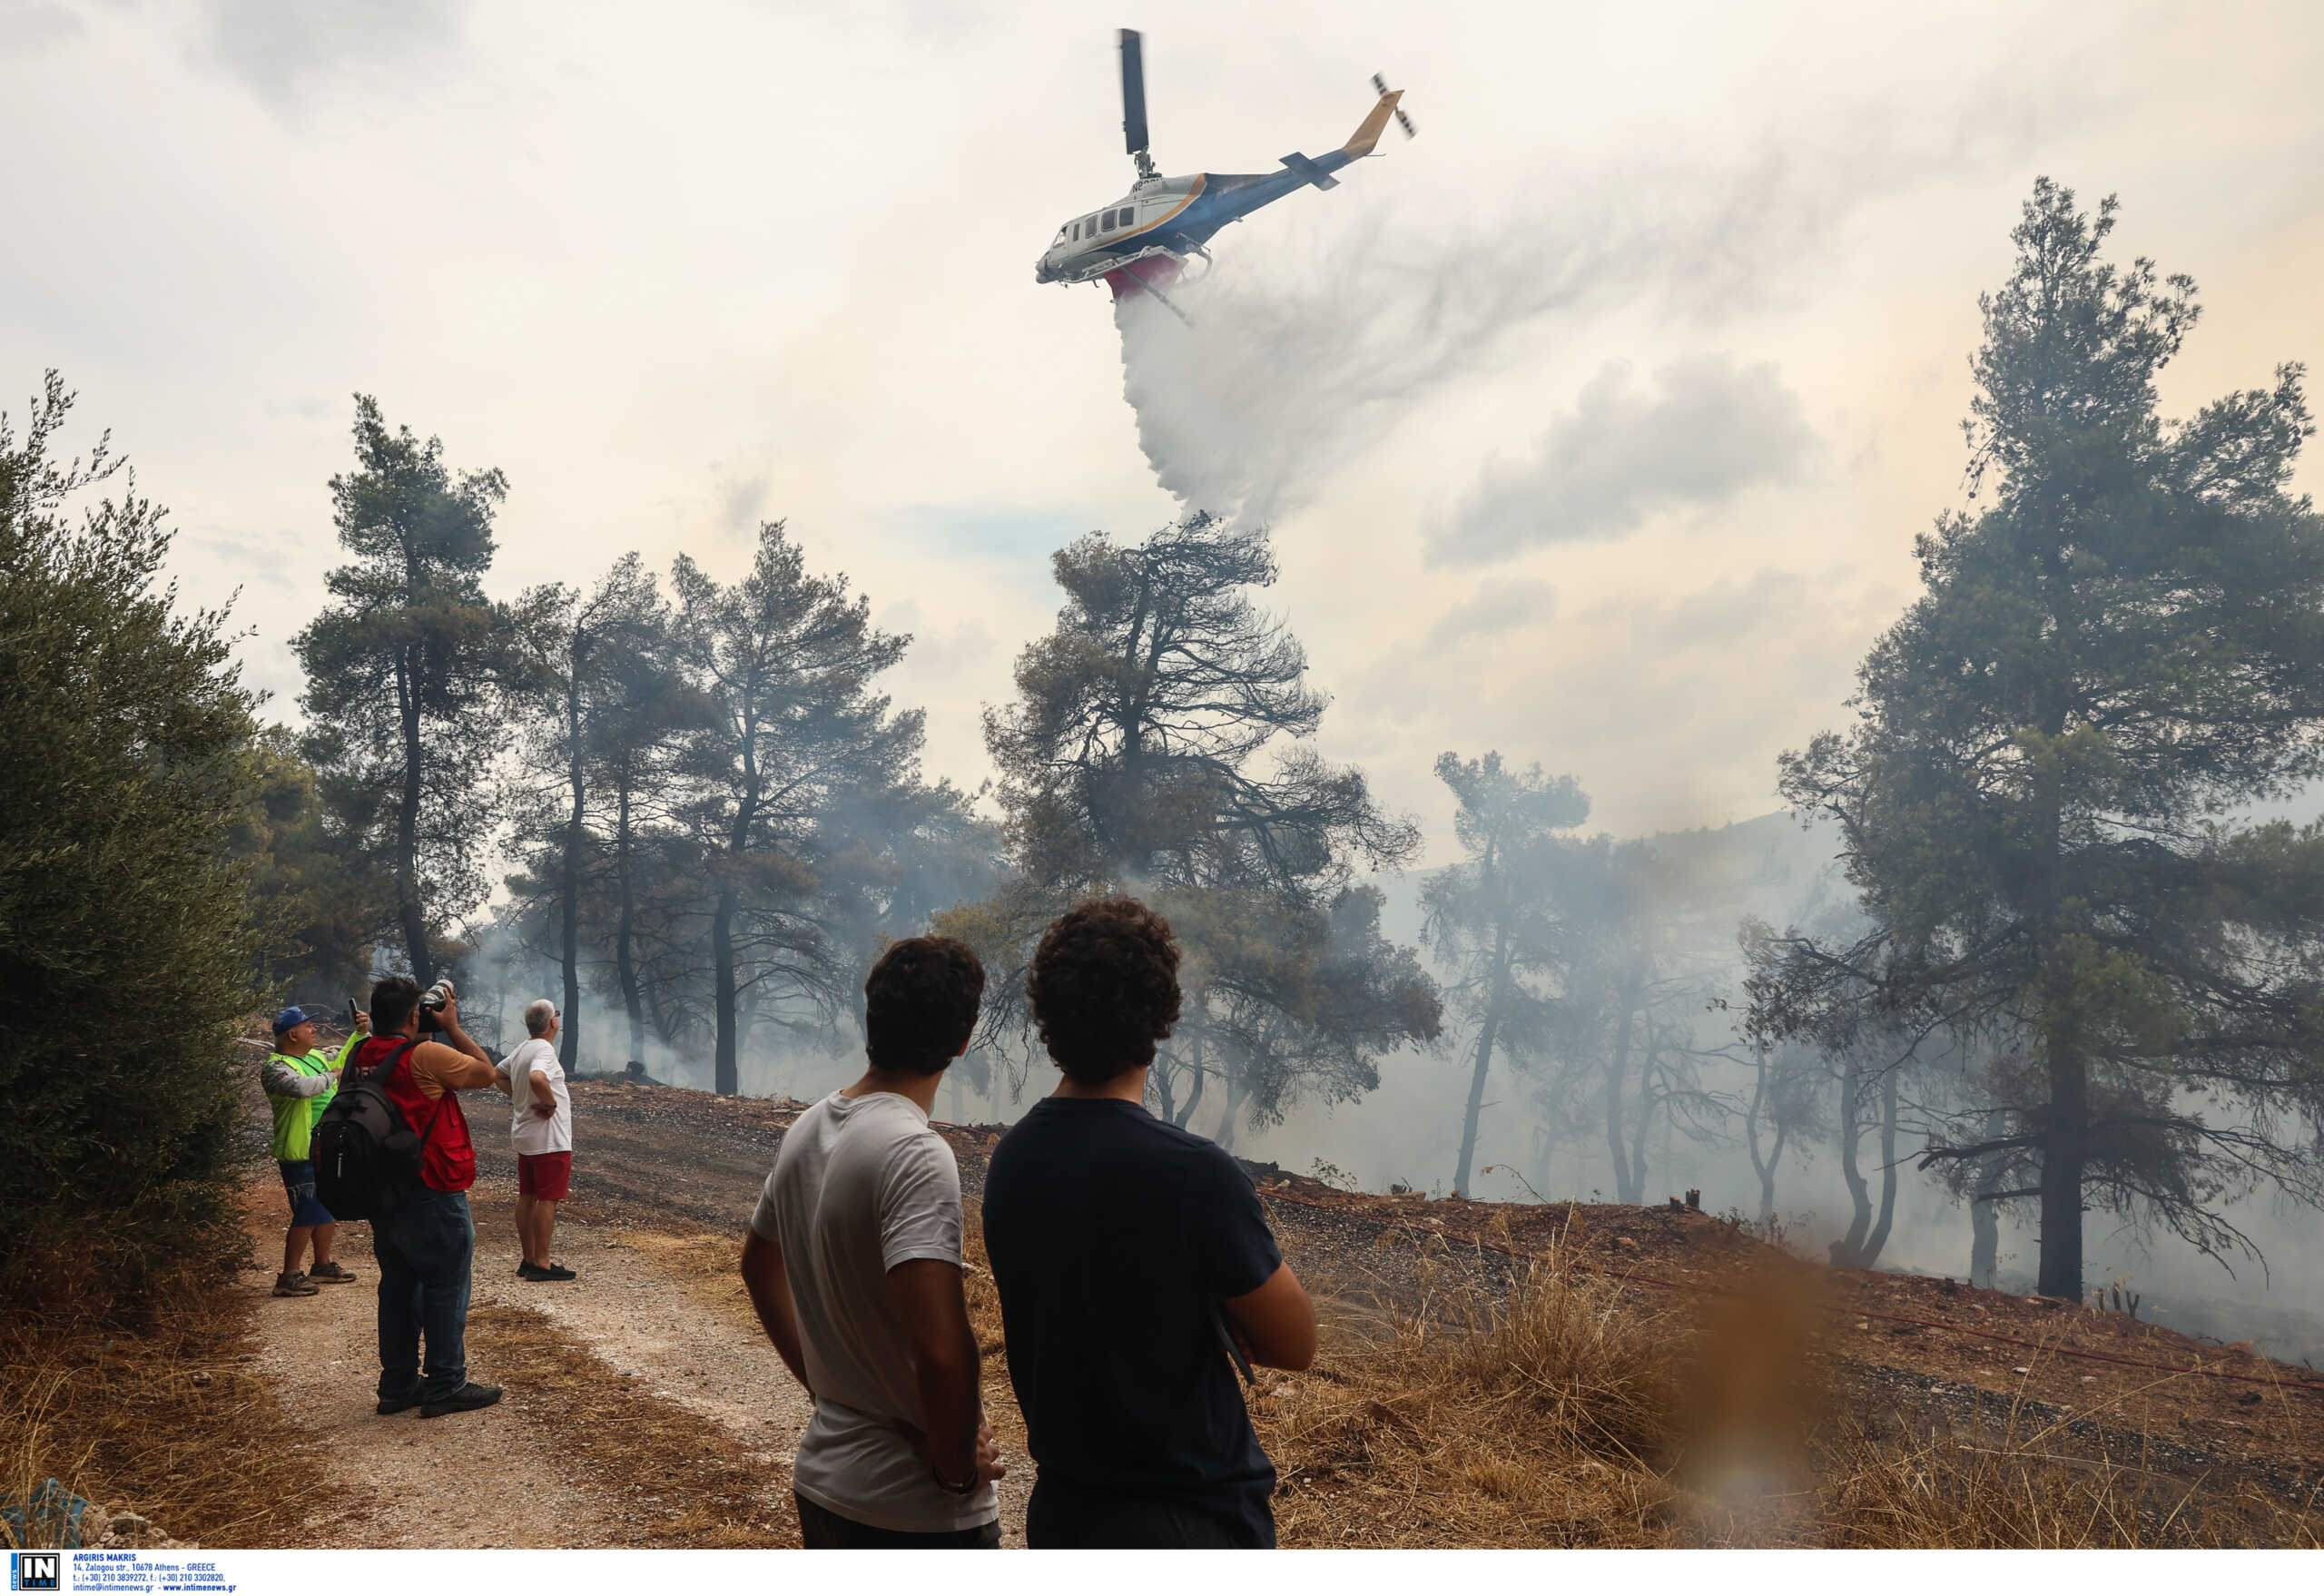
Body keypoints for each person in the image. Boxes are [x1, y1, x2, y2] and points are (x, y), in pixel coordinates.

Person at [981, 896, 1317, 1549]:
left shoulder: (1012, 1160)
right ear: (1162, 1015)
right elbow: (1296, 1343)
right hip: (1190, 1521)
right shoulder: (1194, 1173)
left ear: (1048, 1017)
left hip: (1067, 1513)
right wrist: (1224, 1313)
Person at [738, 936, 1007, 1548]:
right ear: (963, 1041)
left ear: (872, 1020)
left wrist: (828, 1387)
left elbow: (757, 1267)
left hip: (826, 1480)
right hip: (911, 1508)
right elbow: (943, 1350)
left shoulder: (807, 1127)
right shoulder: (916, 1152)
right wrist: (957, 1469)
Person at [347, 975, 503, 1419]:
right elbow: (486, 1073)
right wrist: (452, 1026)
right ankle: (445, 1383)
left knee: (397, 1287)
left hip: (382, 1192)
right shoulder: (426, 1054)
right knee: (445, 1284)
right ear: (415, 1016)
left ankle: (397, 1386)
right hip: (430, 1187)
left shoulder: (361, 1052)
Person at [260, 1004, 368, 1297]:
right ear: (293, 1034)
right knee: (307, 1209)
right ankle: (289, 1274)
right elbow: (301, 1088)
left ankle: (322, 1264)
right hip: (299, 1149)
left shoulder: (315, 1057)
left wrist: (360, 1034)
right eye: (308, 1026)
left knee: (328, 1205)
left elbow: (345, 1058)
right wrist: (333, 1076)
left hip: (325, 1148)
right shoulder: (276, 1067)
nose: (314, 1030)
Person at [494, 999, 575, 1282]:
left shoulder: (523, 1048)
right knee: (548, 1199)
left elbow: (497, 1074)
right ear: (553, 1022)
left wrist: (520, 1099)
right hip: (549, 1138)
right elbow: (538, 1078)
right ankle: (542, 1262)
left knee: (527, 1196)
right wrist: (549, 1104)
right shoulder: (544, 1050)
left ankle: (528, 1259)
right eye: (558, 1016)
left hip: (526, 1136)